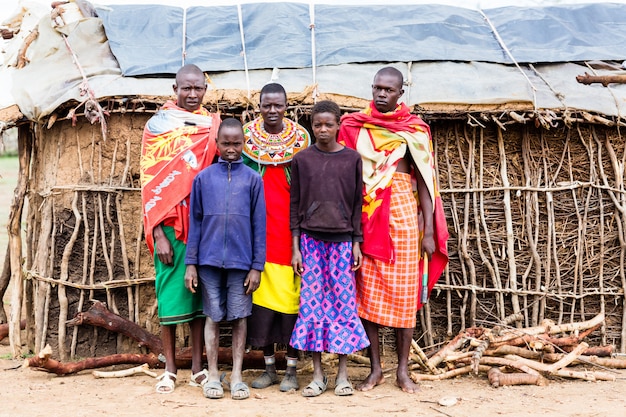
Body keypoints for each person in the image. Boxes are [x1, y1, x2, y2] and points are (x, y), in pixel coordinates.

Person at [338, 67, 449, 393]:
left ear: (401, 93)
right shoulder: (354, 126)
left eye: (388, 89)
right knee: (367, 299)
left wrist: (428, 231)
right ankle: (375, 369)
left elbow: (426, 184)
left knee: (404, 299)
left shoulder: (414, 130)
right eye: (377, 88)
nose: (381, 94)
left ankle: (402, 370)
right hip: (367, 218)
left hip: (403, 217)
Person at [140, 63, 219, 394]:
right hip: (169, 225)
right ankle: (170, 369)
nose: (191, 93)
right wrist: (157, 232)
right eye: (185, 88)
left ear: (204, 89)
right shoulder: (158, 126)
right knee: (170, 296)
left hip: (202, 222)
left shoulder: (211, 126)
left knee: (199, 296)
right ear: (174, 89)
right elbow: (149, 181)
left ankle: (199, 368)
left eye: (197, 88)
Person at [289, 100, 370, 397]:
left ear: (339, 125)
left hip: (342, 244)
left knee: (342, 304)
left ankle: (343, 375)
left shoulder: (351, 159)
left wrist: (356, 243)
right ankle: (318, 374)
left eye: (329, 124)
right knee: (311, 304)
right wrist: (296, 247)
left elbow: (357, 204)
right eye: (317, 125)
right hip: (310, 242)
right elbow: (295, 204)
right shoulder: (302, 160)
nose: (323, 130)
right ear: (312, 126)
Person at [184, 118, 266, 401]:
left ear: (244, 144)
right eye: (226, 143)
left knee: (240, 317)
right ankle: (213, 374)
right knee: (213, 317)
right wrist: (191, 263)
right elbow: (195, 224)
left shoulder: (254, 180)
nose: (231, 149)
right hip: (208, 262)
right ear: (216, 145)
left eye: (237, 143)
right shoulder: (203, 179)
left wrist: (257, 267)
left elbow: (259, 226)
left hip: (242, 264)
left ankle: (238, 376)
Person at [242, 83, 310, 392]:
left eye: (278, 105)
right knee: (262, 307)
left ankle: (292, 370)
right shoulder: (245, 143)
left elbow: (305, 191)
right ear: (259, 106)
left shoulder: (300, 142)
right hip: (257, 238)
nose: (272, 110)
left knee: (291, 305)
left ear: (286, 106)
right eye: (266, 105)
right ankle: (269, 368)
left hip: (290, 237)